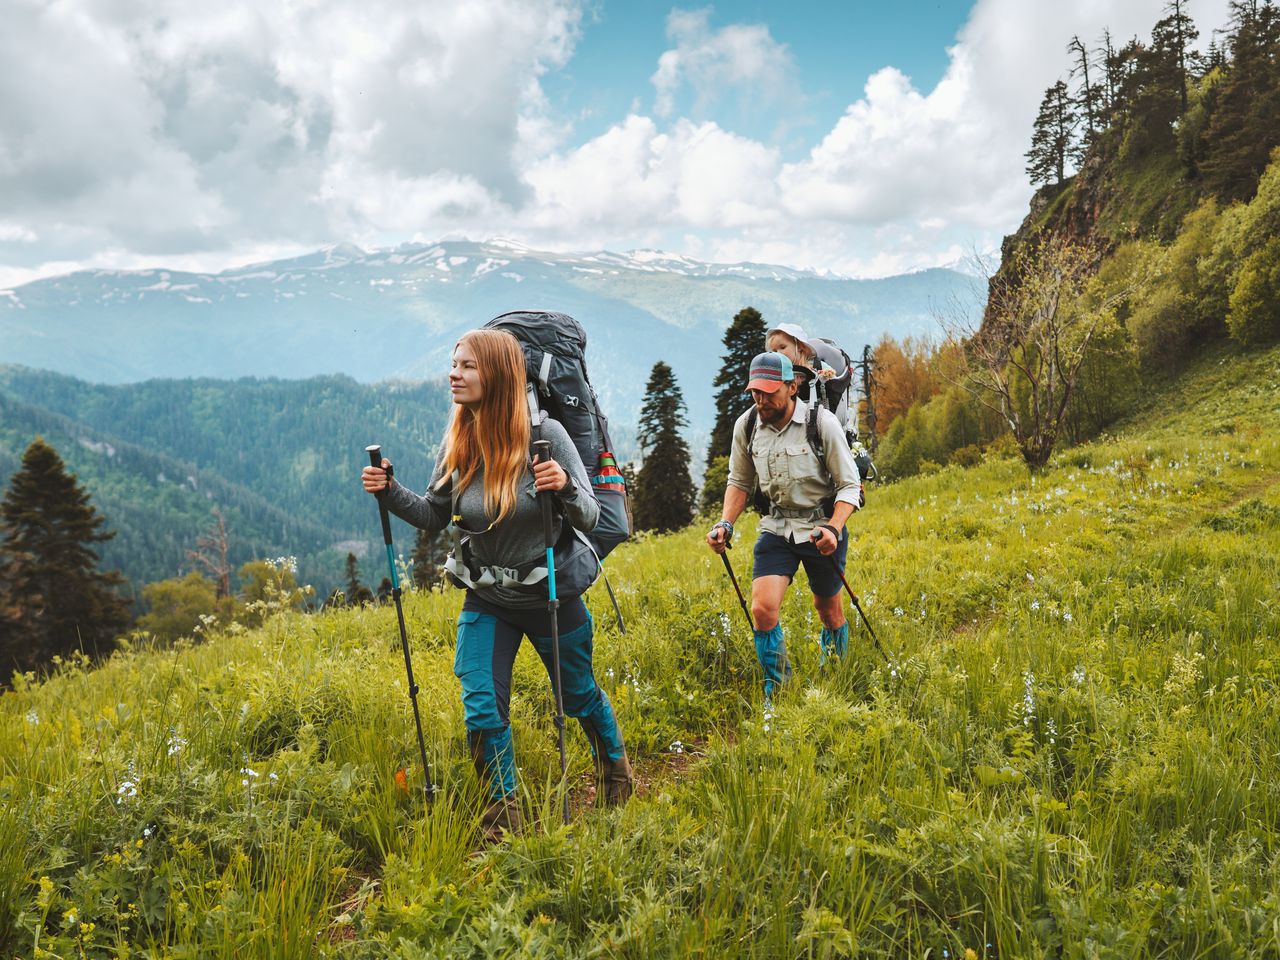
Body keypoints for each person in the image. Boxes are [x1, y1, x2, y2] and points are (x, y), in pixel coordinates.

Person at [362, 328, 632, 840]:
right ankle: (501, 820)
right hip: (486, 598)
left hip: (550, 594)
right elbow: (433, 514)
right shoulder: (460, 438)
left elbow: (592, 515)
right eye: (453, 363)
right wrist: (390, 490)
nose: (453, 374)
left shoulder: (545, 435)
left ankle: (615, 775)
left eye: (466, 366)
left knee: (577, 697)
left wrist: (566, 486)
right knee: (482, 705)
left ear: (498, 375)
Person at [705, 351, 862, 704]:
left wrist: (834, 530)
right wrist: (725, 524)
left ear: (793, 386)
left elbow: (850, 487)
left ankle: (835, 675)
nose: (761, 400)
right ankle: (779, 691)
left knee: (829, 610)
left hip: (821, 529)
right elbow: (739, 482)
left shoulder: (820, 424)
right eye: (755, 392)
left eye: (769, 392)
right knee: (762, 609)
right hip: (776, 527)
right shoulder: (746, 426)